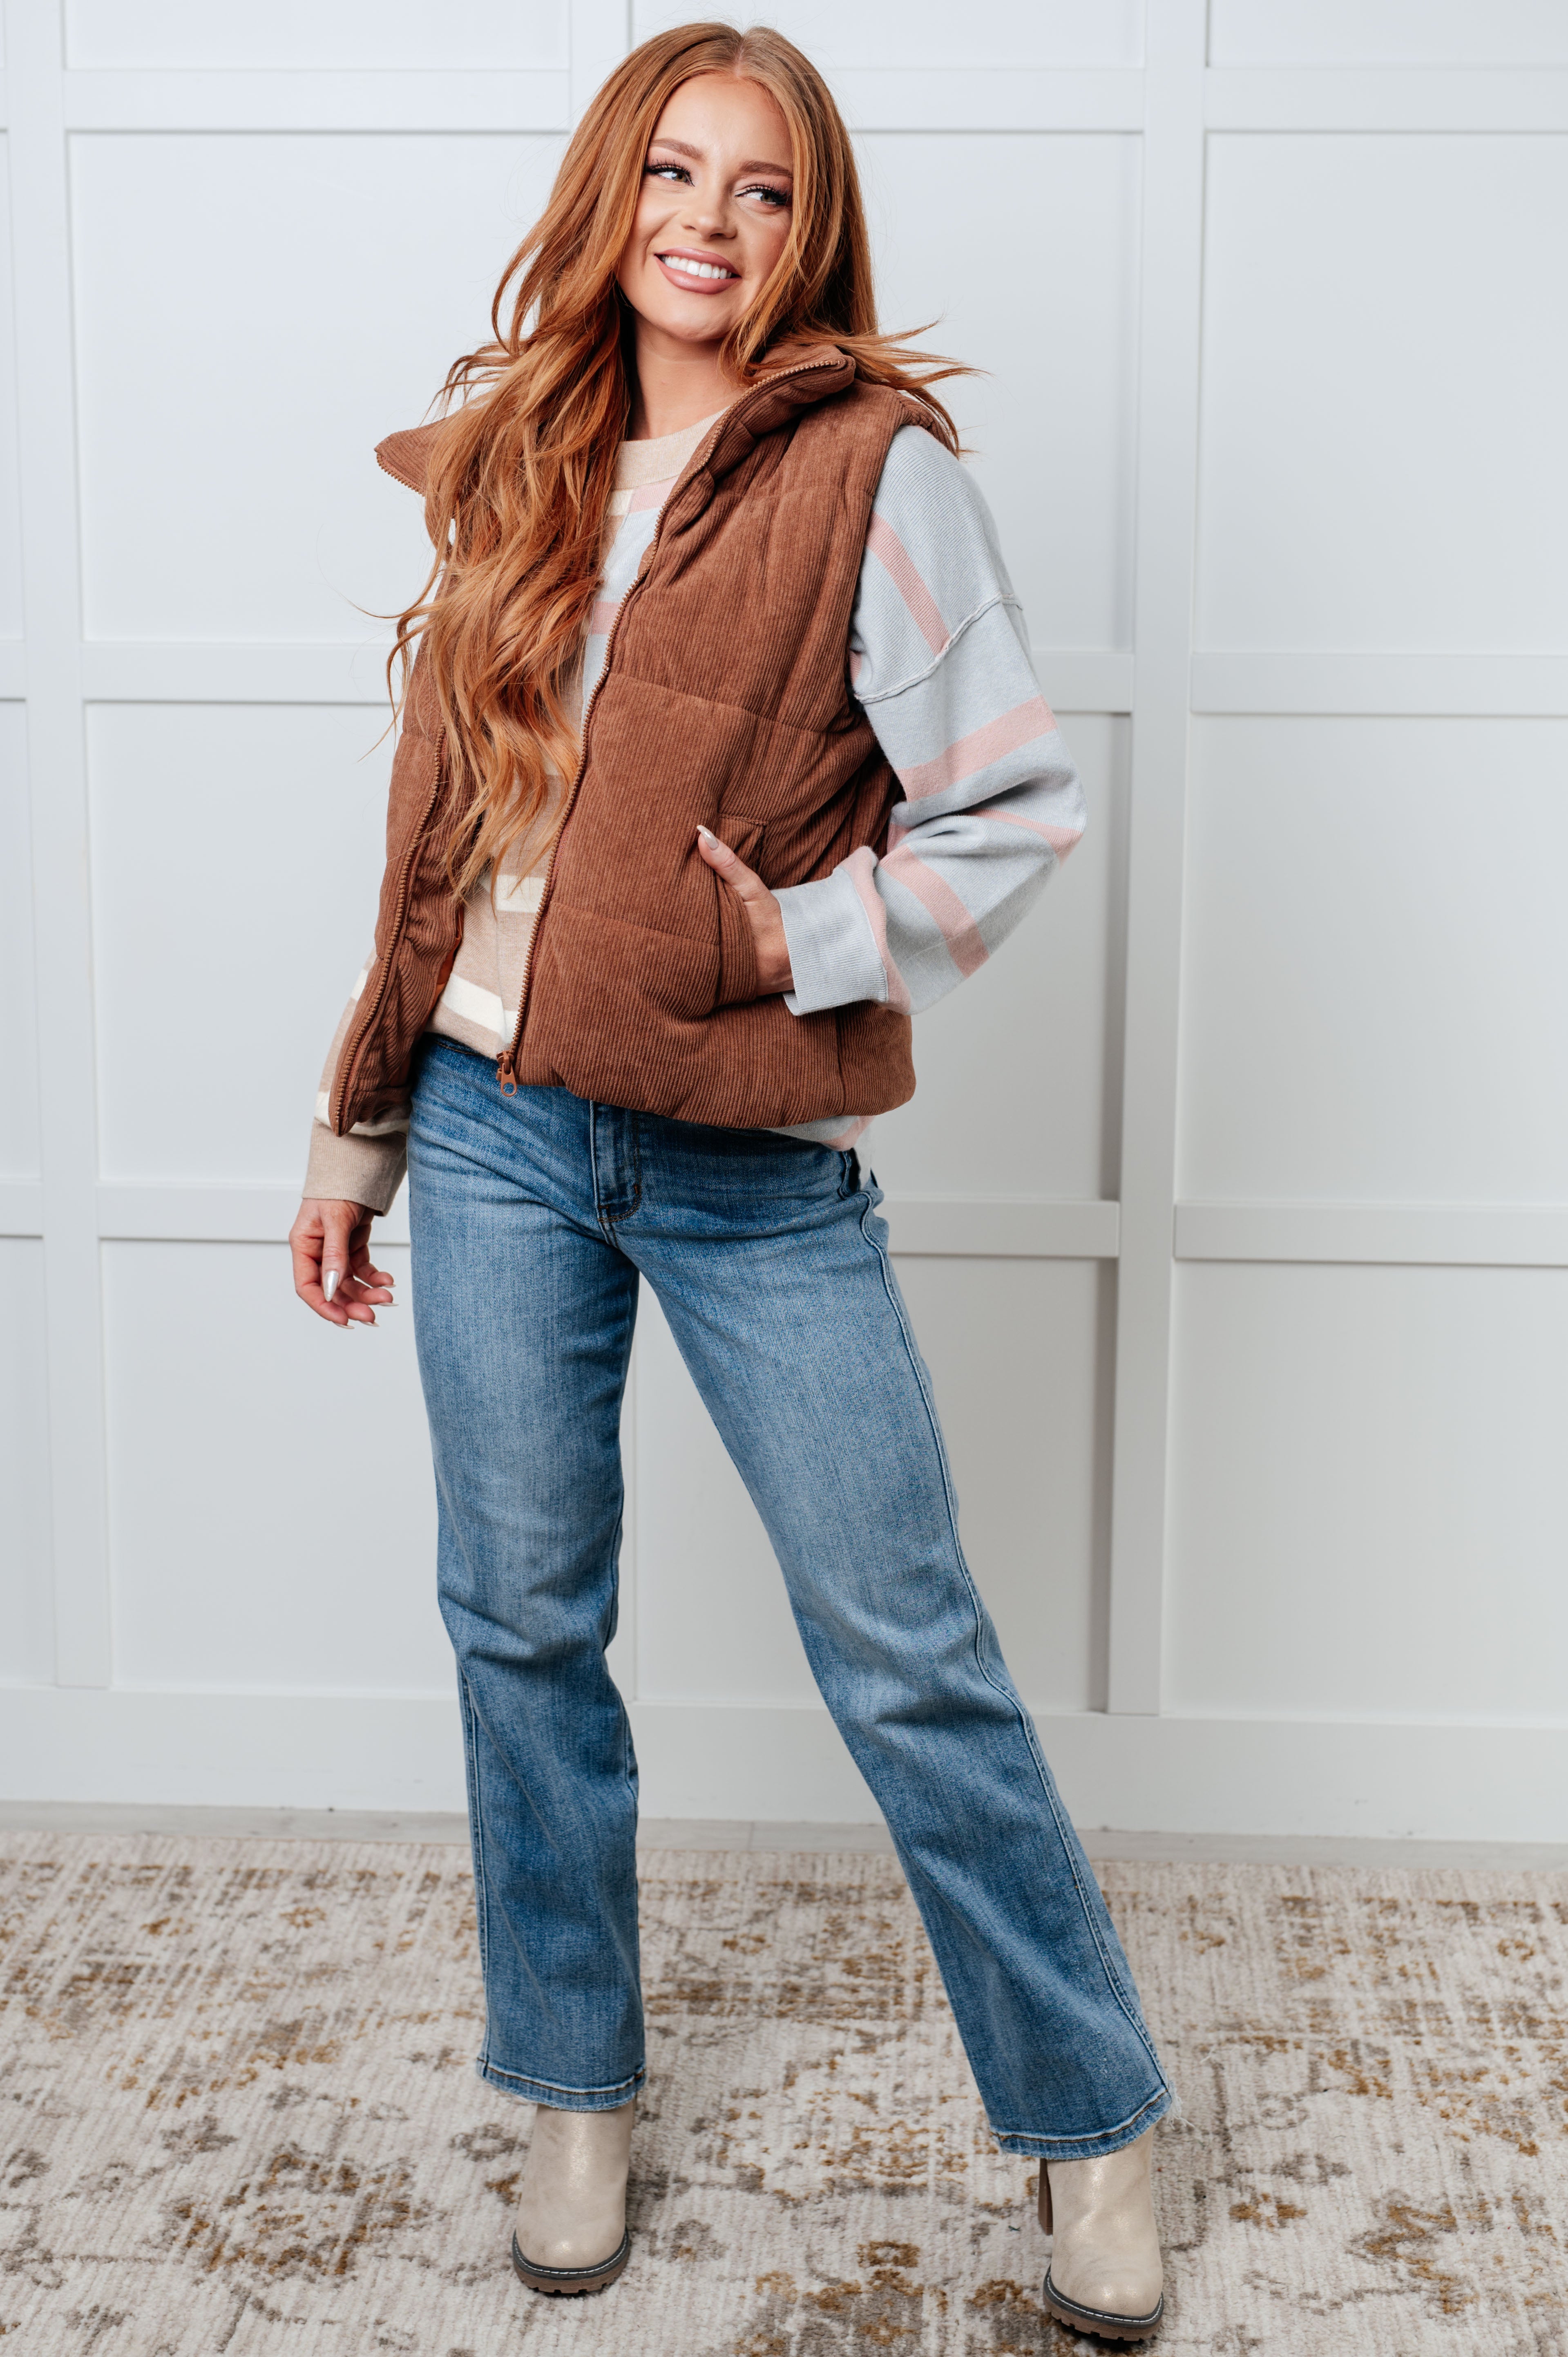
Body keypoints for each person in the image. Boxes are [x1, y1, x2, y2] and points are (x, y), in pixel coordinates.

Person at [287, 21, 1170, 2340]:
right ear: (610, 194)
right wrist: (361, 1123)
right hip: (490, 1132)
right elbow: (429, 847)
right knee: (522, 1627)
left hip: (746, 1160)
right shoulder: (522, 457)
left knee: (909, 1652)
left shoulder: (873, 470)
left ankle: (1086, 2123)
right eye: (671, 173)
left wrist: (808, 934)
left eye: (760, 191)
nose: (706, 219)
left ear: (811, 234)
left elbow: (1009, 803)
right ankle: (572, 2082)